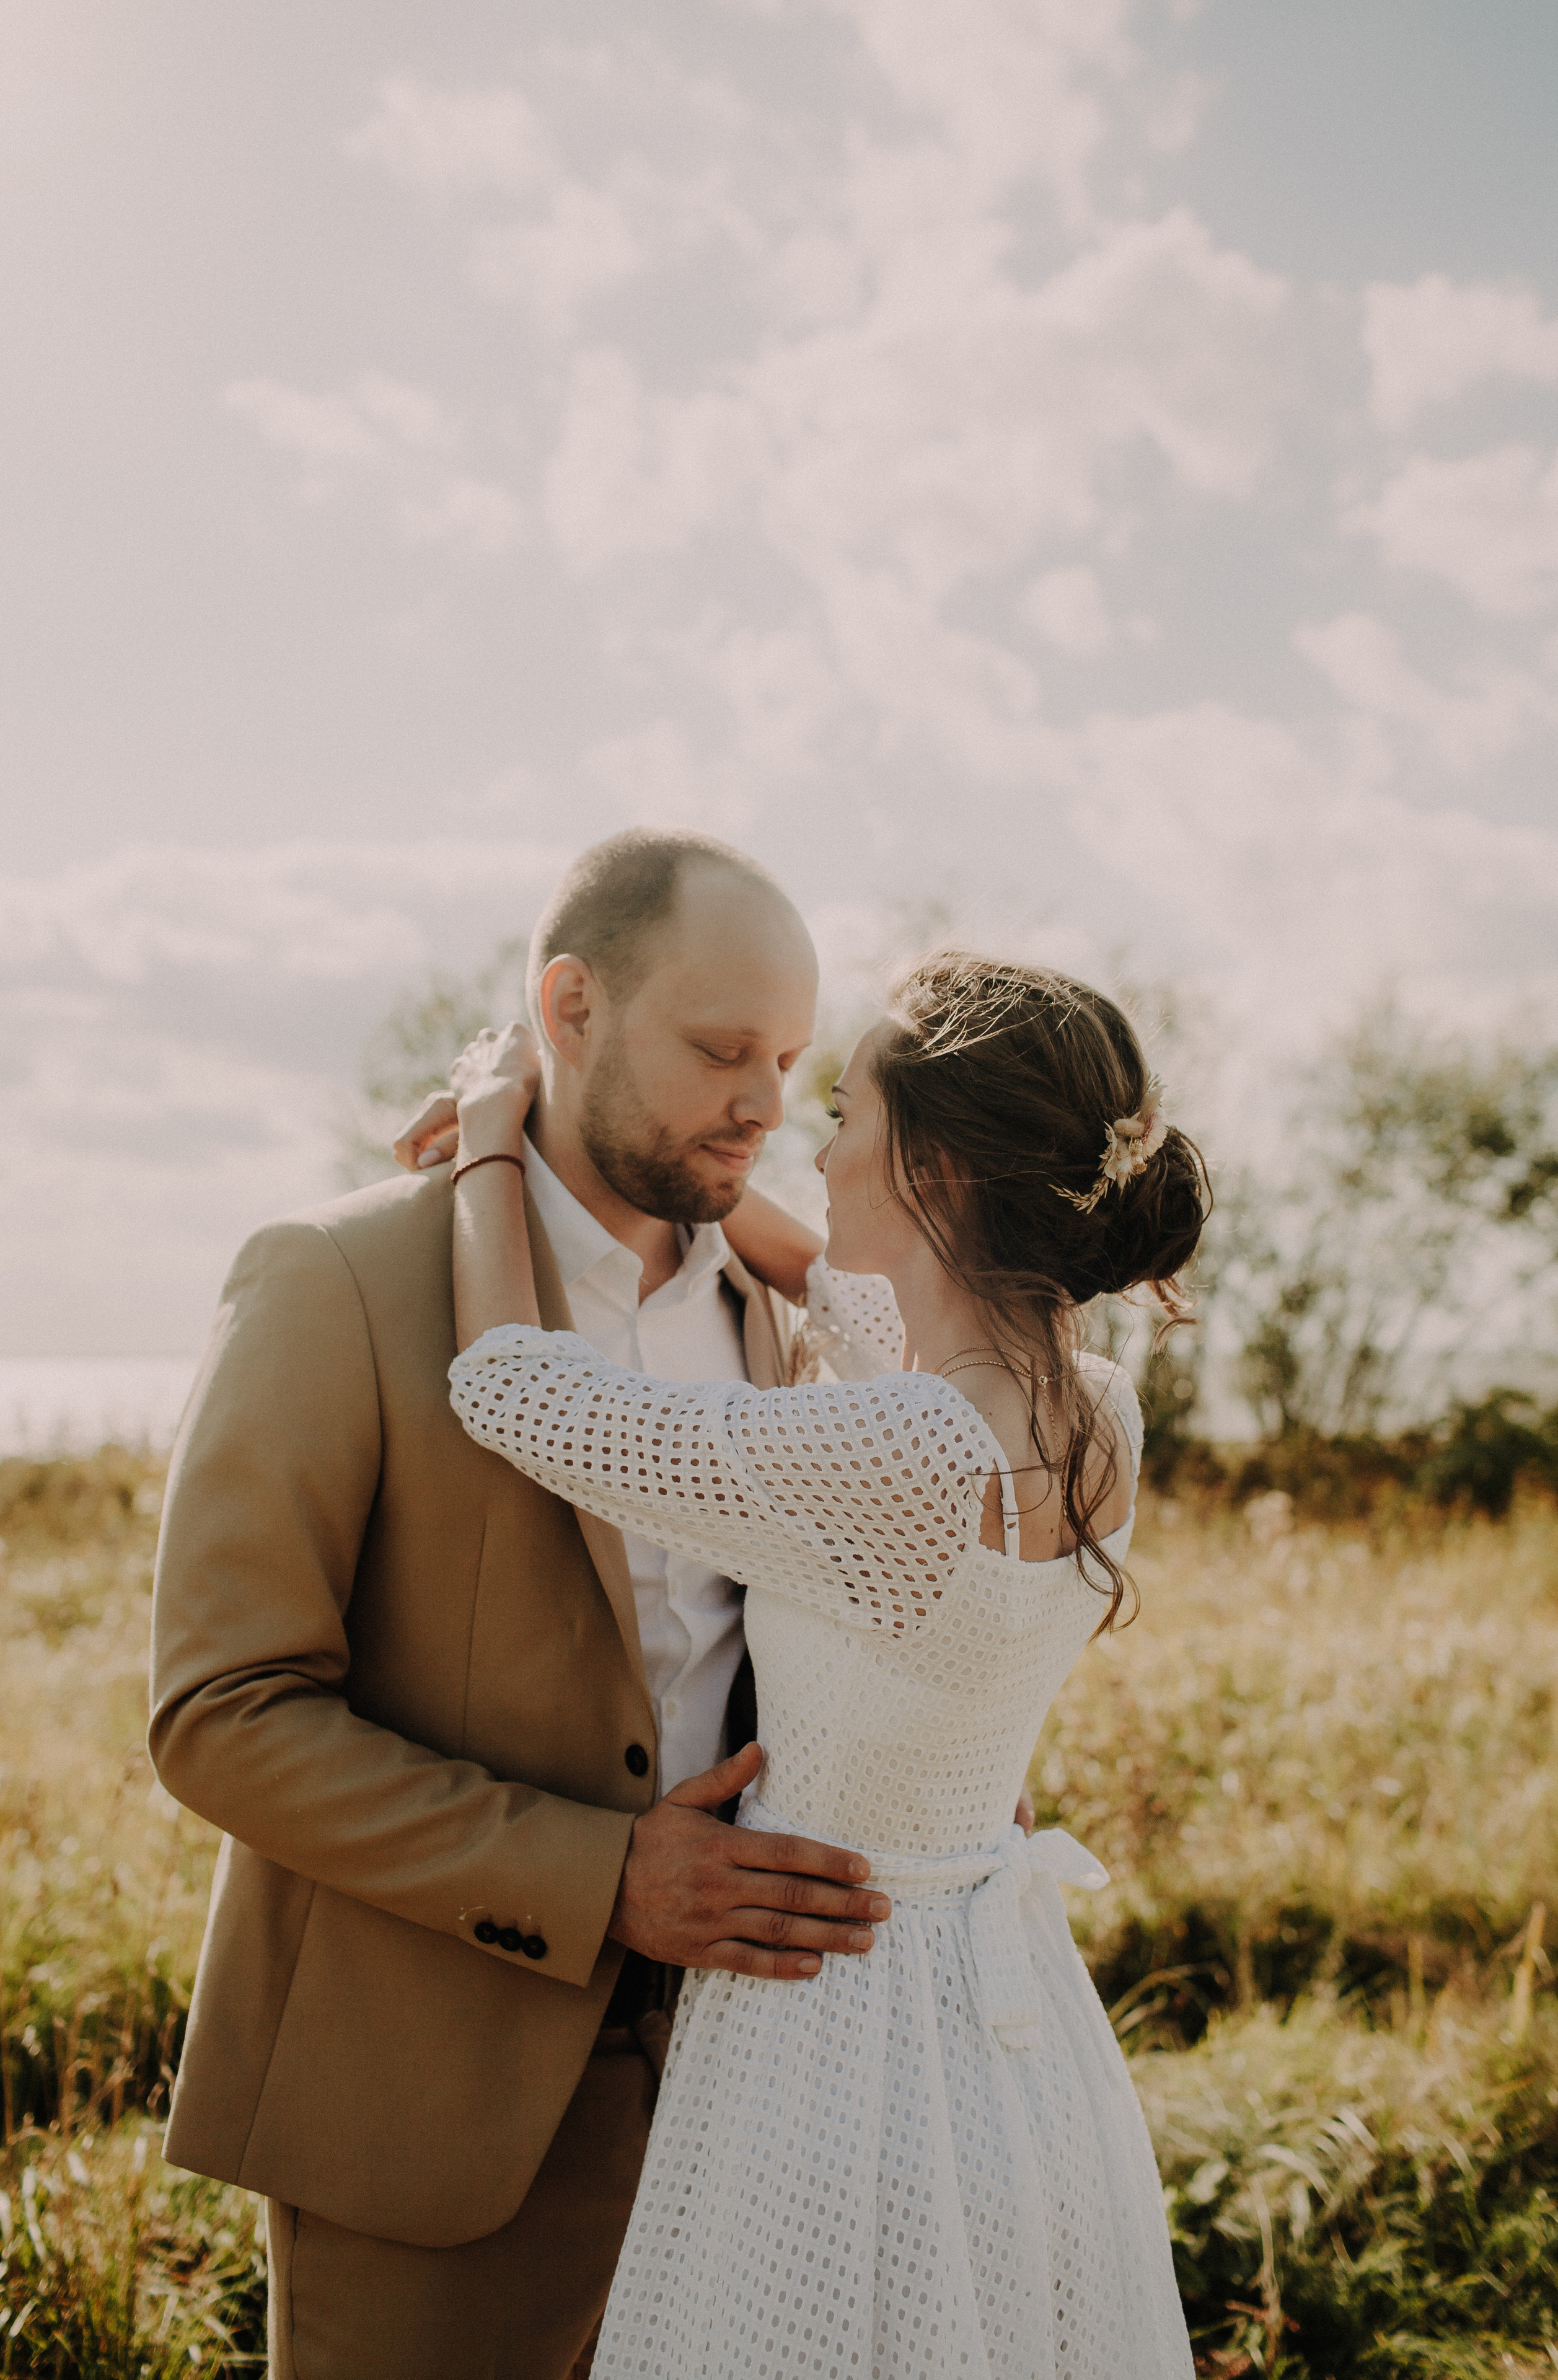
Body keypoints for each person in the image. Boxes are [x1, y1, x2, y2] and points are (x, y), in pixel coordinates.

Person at [147, 830, 900, 2380]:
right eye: (717, 1050)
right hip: (425, 2127)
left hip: (751, 2114)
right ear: (567, 1007)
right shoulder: (335, 1279)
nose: (764, 1104)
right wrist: (598, 1878)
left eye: (786, 1059)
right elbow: (220, 1717)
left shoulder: (794, 1314)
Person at [439, 950, 1210, 2378]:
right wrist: (706, 1176)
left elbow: (511, 1387)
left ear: (930, 1171)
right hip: (1009, 2028)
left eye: (845, 1113)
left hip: (839, 2028)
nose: (812, 1141)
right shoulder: (1094, 1409)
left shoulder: (907, 1451)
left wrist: (495, 1131)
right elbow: (846, 1299)